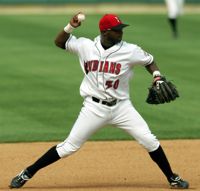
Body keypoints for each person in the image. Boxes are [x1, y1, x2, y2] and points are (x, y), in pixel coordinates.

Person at [9, 13, 189, 189]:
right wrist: (70, 26)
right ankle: (27, 173)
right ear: (105, 32)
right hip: (93, 108)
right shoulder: (85, 46)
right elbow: (59, 42)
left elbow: (149, 61)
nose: (121, 33)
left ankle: (172, 177)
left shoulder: (130, 50)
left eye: (121, 29)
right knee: (69, 147)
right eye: (117, 30)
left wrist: (157, 76)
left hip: (122, 108)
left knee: (149, 141)